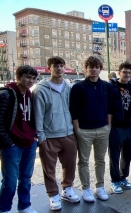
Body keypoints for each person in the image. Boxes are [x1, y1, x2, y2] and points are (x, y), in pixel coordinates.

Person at [33, 57, 80, 210]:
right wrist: (41, 137)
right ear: (49, 68)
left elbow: (73, 110)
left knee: (70, 165)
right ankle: (53, 195)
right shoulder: (40, 89)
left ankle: (67, 189)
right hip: (49, 135)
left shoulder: (68, 87)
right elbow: (38, 115)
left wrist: (74, 131)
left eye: (61, 66)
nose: (59, 69)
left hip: (68, 133)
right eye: (55, 66)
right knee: (49, 168)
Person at [69, 56, 113, 202]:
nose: (93, 69)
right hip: (84, 130)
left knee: (100, 160)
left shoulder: (106, 86)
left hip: (102, 129)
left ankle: (100, 186)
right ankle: (86, 188)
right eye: (90, 67)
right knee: (83, 161)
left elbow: (109, 108)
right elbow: (73, 110)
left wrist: (108, 126)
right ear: (86, 68)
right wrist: (78, 130)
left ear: (100, 69)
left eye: (96, 67)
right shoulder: (78, 87)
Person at [0, 65, 38, 213]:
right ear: (18, 77)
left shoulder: (30, 94)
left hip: (29, 142)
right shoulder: (6, 94)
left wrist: (35, 137)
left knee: (26, 178)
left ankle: (24, 205)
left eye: (34, 78)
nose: (31, 80)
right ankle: (4, 208)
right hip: (12, 145)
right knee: (10, 180)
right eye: (28, 77)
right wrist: (8, 143)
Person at [108, 62, 131, 193]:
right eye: (124, 72)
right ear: (119, 72)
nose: (127, 75)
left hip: (130, 125)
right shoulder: (111, 87)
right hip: (116, 126)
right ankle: (115, 181)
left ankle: (123, 177)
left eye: (129, 73)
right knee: (114, 155)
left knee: (128, 154)